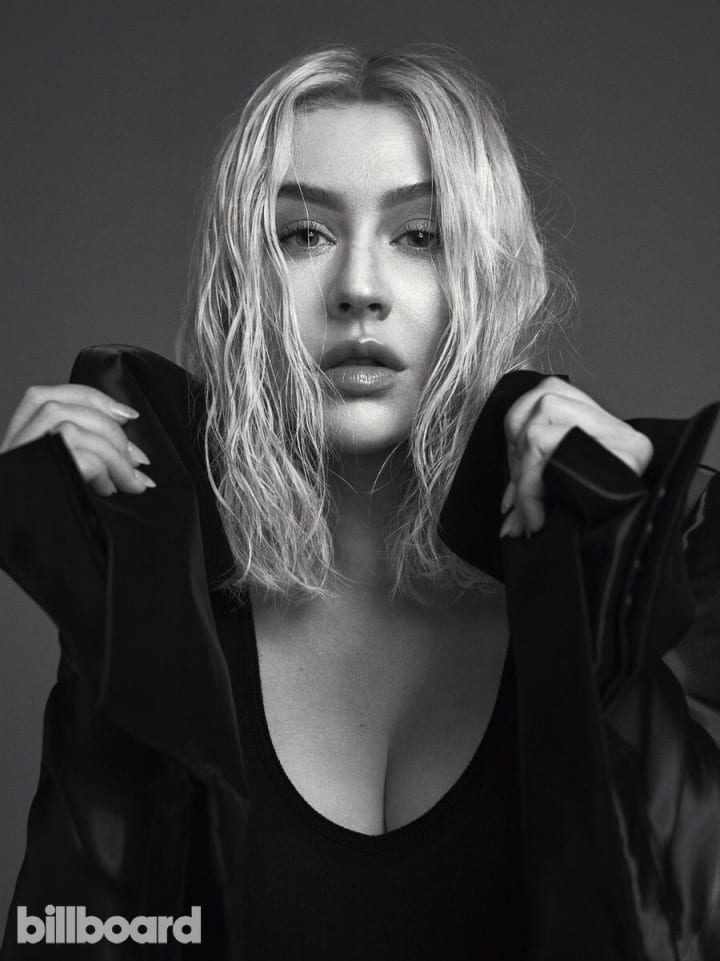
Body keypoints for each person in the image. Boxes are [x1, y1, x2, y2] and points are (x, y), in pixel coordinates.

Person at [0, 44, 718, 960]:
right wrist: (87, 593)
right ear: (243, 282)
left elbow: (686, 923)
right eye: (304, 234)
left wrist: (629, 557)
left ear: (487, 274)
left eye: (421, 236)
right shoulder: (164, 631)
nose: (360, 291)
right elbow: (75, 935)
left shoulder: (583, 616)